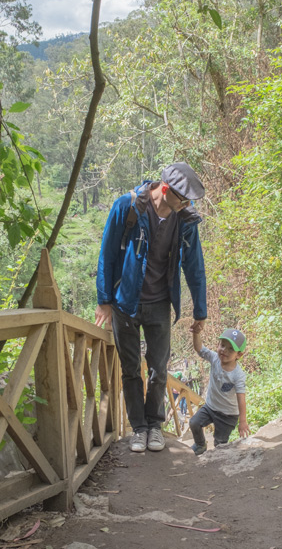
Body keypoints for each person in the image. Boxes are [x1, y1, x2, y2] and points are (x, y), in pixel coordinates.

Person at [95, 162, 207, 453]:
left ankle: (155, 425)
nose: (186, 205)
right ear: (165, 189)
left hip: (159, 302)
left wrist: (200, 311)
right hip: (125, 302)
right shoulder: (128, 206)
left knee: (159, 368)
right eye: (183, 199)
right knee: (131, 369)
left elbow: (195, 266)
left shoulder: (184, 219)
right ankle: (139, 429)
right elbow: (107, 253)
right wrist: (104, 301)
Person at [189, 327, 250, 455]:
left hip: (228, 415)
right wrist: (196, 333)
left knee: (220, 443)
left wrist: (243, 421)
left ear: (239, 355)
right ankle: (200, 445)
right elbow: (199, 349)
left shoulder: (238, 375)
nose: (224, 350)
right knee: (194, 423)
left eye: (231, 349)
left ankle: (217, 461)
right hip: (210, 407)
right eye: (222, 345)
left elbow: (241, 398)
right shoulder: (214, 359)